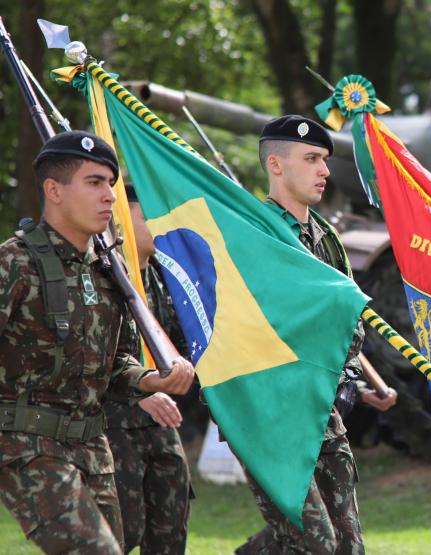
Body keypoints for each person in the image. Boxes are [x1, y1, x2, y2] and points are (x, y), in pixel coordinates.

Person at [0, 131, 195, 554]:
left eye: (110, 182)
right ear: (53, 190)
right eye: (94, 183)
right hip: (29, 447)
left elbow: (115, 362)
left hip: (93, 450)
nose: (110, 195)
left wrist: (150, 380)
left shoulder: (109, 268)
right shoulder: (14, 263)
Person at [235, 115, 397, 555]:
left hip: (324, 415)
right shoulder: (252, 234)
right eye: (311, 159)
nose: (325, 171)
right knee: (315, 546)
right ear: (276, 164)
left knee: (347, 547)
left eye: (325, 160)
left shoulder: (326, 239)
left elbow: (343, 324)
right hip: (273, 416)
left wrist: (353, 382)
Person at [102, 184, 193, 554]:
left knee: (170, 528)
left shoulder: (161, 276)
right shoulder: (106, 277)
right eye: (148, 215)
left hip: (161, 423)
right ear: (123, 216)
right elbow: (92, 354)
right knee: (122, 530)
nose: (160, 223)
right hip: (114, 422)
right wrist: (142, 392)